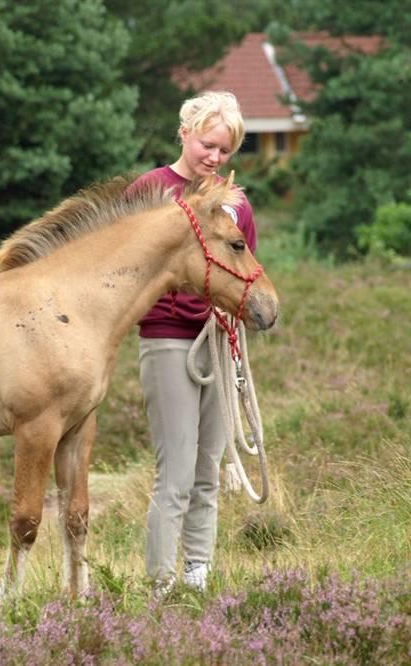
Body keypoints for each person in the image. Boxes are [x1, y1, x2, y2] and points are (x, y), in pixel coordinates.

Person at [130, 91, 258, 595]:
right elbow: (129, 272)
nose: (215, 158)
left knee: (208, 470)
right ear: (184, 133)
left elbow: (242, 272)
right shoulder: (150, 191)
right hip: (167, 340)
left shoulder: (234, 204)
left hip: (218, 344)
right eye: (208, 144)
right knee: (177, 471)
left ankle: (198, 574)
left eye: (224, 151)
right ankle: (160, 584)